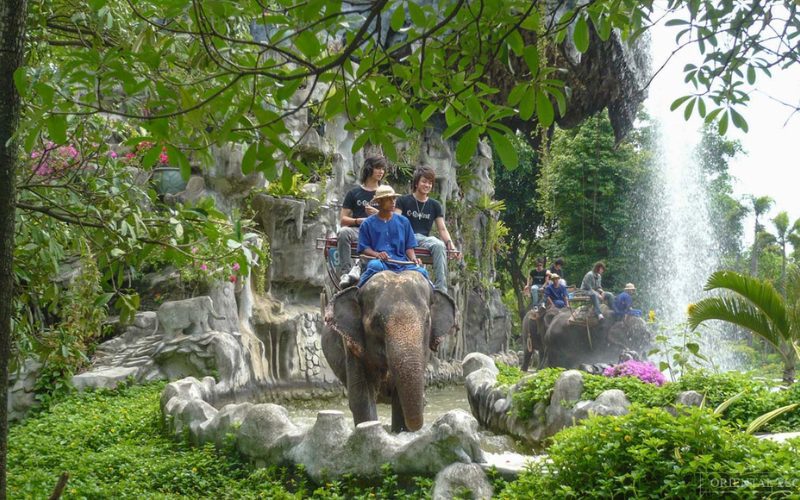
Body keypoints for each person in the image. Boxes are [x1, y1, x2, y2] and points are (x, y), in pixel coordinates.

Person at [394, 166, 459, 293]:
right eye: (424, 181)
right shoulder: (403, 200)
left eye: (430, 183)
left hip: (423, 239)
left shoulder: (435, 205)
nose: (427, 185)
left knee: (439, 245)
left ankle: (441, 288)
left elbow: (442, 229)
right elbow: (396, 223)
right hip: (406, 237)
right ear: (416, 182)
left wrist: (451, 245)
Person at [357, 184, 430, 287]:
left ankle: (436, 297)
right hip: (381, 263)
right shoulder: (367, 224)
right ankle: (356, 292)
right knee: (374, 266)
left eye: (394, 198)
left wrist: (414, 259)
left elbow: (409, 247)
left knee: (422, 272)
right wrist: (377, 254)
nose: (393, 201)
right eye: (388, 199)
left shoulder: (403, 221)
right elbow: (364, 248)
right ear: (379, 201)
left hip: (402, 263)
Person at [337, 156, 386, 287]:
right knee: (343, 232)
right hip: (358, 230)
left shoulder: (386, 193)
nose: (381, 172)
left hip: (379, 232)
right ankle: (346, 273)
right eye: (377, 168)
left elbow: (395, 219)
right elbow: (343, 220)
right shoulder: (354, 193)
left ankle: (359, 266)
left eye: (382, 169)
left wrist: (377, 214)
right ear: (369, 169)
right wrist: (359, 221)